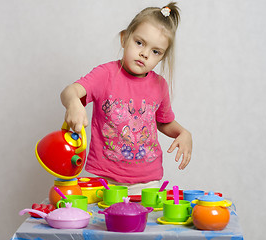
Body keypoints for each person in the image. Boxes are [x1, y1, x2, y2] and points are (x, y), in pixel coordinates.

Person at [61, 2, 192, 195]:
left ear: (162, 57)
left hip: (147, 183)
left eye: (155, 51)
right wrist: (73, 103)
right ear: (124, 38)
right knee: (101, 225)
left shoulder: (160, 85)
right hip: (104, 178)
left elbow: (163, 122)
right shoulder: (105, 75)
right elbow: (69, 91)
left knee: (141, 225)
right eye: (139, 43)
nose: (144, 54)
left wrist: (183, 133)